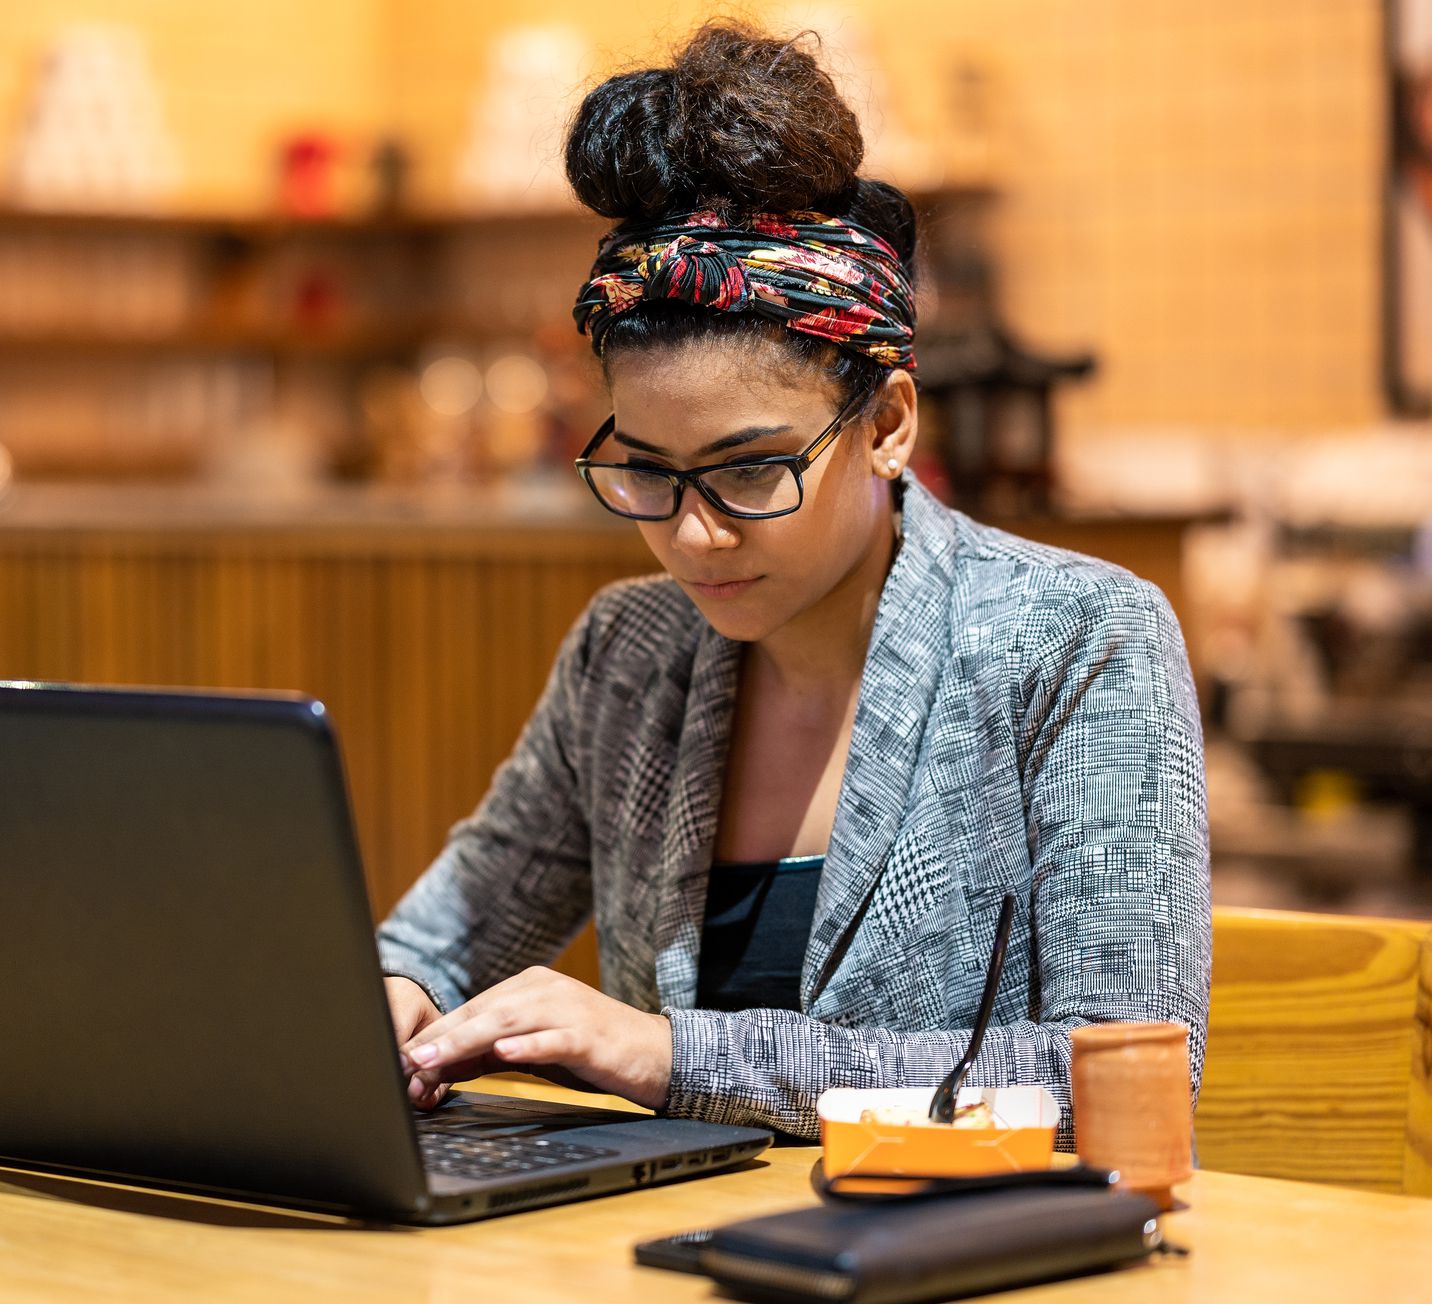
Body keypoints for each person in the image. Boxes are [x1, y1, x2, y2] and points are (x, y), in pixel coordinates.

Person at [375, 21, 1211, 1144]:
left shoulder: (1074, 642)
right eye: (646, 473)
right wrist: (392, 1001)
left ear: (887, 424)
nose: (695, 536)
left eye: (749, 470)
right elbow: (436, 938)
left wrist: (675, 1055)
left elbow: (1119, 1076)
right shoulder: (631, 654)